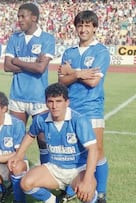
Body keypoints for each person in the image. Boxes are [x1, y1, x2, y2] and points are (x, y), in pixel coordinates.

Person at [7, 83, 98, 203]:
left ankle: (95, 197)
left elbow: (93, 149)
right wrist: (18, 155)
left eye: (59, 101)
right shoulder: (41, 119)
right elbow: (30, 135)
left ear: (67, 102)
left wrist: (87, 180)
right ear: (46, 103)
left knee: (86, 194)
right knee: (26, 183)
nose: (54, 106)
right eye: (50, 101)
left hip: (78, 169)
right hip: (54, 168)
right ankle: (54, 201)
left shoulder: (79, 120)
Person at [58, 10, 110, 203]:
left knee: (97, 150)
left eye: (87, 26)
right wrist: (80, 74)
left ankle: (101, 192)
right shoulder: (69, 52)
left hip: (91, 108)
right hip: (70, 109)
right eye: (80, 25)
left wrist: (72, 72)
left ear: (94, 28)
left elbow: (94, 81)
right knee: (72, 149)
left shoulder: (101, 51)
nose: (83, 29)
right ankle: (72, 187)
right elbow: (61, 82)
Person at [4, 3, 56, 165]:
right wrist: (31, 64)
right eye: (18, 16)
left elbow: (40, 68)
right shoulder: (15, 38)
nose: (19, 20)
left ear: (34, 17)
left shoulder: (47, 38)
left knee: (43, 140)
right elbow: (6, 66)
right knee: (16, 141)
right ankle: (17, 176)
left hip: (39, 98)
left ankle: (46, 173)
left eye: (23, 16)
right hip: (17, 97)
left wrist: (18, 61)